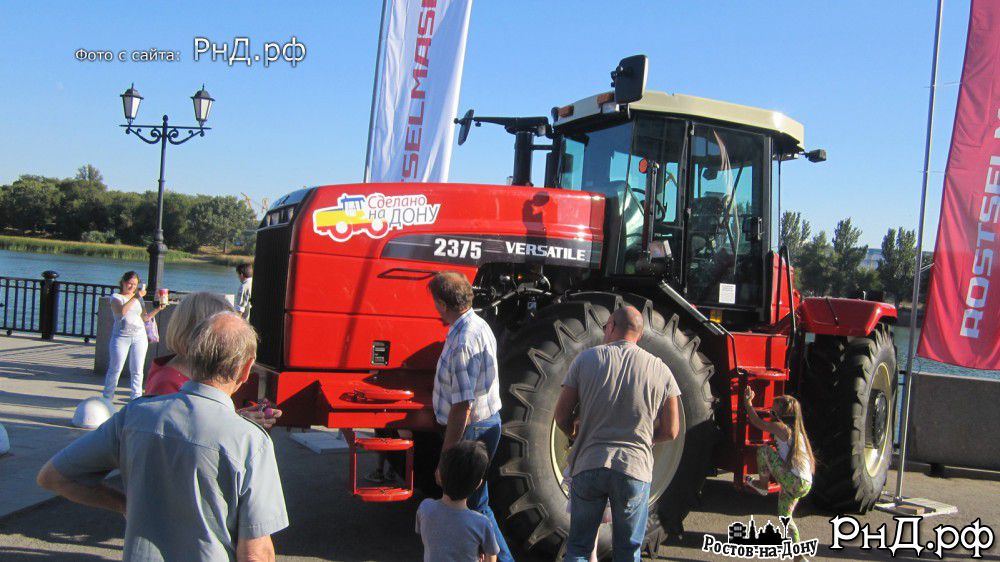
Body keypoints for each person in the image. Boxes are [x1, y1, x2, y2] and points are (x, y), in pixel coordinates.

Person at [37, 312, 289, 562]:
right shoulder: (250, 441)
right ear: (245, 369)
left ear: (192, 355)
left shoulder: (135, 415)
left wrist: (125, 504)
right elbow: (255, 552)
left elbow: (54, 477)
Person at [554, 306, 681, 562]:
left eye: (604, 328)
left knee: (579, 547)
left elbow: (561, 416)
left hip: (590, 464)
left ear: (611, 326)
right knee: (627, 550)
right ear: (640, 333)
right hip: (634, 469)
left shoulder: (586, 360)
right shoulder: (661, 370)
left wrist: (578, 434)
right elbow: (672, 430)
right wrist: (647, 439)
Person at [428, 271, 513, 562]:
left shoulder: (464, 340)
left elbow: (462, 405)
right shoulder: (477, 324)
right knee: (479, 502)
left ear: (442, 303)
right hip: (483, 423)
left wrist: (445, 457)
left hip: (472, 429)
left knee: (477, 505)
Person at [145, 291, 282, 429]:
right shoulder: (168, 383)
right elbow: (184, 433)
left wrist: (238, 416)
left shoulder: (179, 373)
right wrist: (238, 423)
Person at [743, 387, 815, 546]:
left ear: (781, 414)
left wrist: (748, 403)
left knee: (764, 450)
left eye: (773, 411)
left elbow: (757, 423)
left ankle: (762, 485)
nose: (770, 413)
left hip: (794, 480)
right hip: (803, 483)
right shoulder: (797, 432)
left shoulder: (781, 428)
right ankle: (798, 554)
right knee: (785, 517)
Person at [416, 440, 499, 562]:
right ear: (478, 484)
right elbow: (491, 557)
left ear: (439, 475)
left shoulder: (425, 508)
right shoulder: (482, 523)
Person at [102, 271, 165, 402]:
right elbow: (121, 313)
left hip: (139, 336)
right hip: (121, 336)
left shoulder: (138, 299)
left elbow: (145, 318)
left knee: (137, 370)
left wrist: (158, 308)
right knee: (115, 368)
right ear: (123, 283)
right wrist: (135, 297)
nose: (132, 287)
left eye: (135, 284)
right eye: (129, 283)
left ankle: (136, 398)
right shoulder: (116, 297)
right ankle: (107, 398)